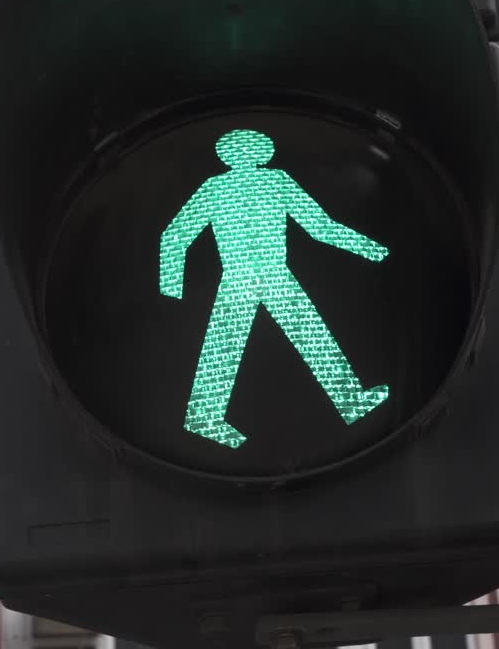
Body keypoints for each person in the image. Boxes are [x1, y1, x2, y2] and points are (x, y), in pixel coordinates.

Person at [160, 128, 389, 448]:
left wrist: (172, 288)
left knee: (237, 345)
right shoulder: (272, 181)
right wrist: (369, 249)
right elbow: (322, 228)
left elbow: (174, 237)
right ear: (263, 152)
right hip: (262, 274)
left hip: (251, 276)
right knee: (305, 336)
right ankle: (349, 400)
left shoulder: (216, 188)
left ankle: (206, 416)